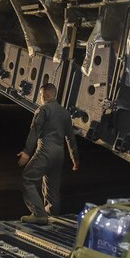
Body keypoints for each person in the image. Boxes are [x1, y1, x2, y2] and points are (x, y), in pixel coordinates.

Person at [17, 83, 79, 225]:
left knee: (27, 179)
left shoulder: (43, 109)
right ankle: (52, 215)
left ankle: (39, 214)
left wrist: (27, 152)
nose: (40, 98)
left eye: (40, 95)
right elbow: (70, 137)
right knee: (52, 189)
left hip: (45, 150)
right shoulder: (65, 113)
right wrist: (75, 159)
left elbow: (35, 131)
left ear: (44, 95)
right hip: (59, 154)